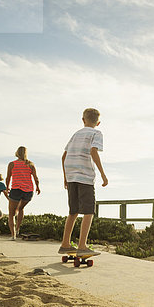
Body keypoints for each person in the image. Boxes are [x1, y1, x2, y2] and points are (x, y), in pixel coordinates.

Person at [58, 108, 108, 256]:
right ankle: (82, 246)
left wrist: (66, 178)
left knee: (73, 211)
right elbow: (93, 151)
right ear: (98, 122)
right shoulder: (96, 133)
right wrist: (103, 175)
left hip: (72, 176)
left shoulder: (76, 134)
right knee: (88, 211)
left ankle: (65, 244)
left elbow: (63, 156)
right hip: (85, 176)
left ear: (83, 120)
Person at [6, 146, 40, 240]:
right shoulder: (30, 164)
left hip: (16, 189)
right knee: (20, 209)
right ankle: (17, 229)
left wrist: (7, 187)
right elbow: (36, 178)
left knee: (11, 213)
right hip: (28, 191)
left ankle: (13, 235)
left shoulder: (12, 164)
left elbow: (8, 177)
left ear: (17, 153)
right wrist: (37, 187)